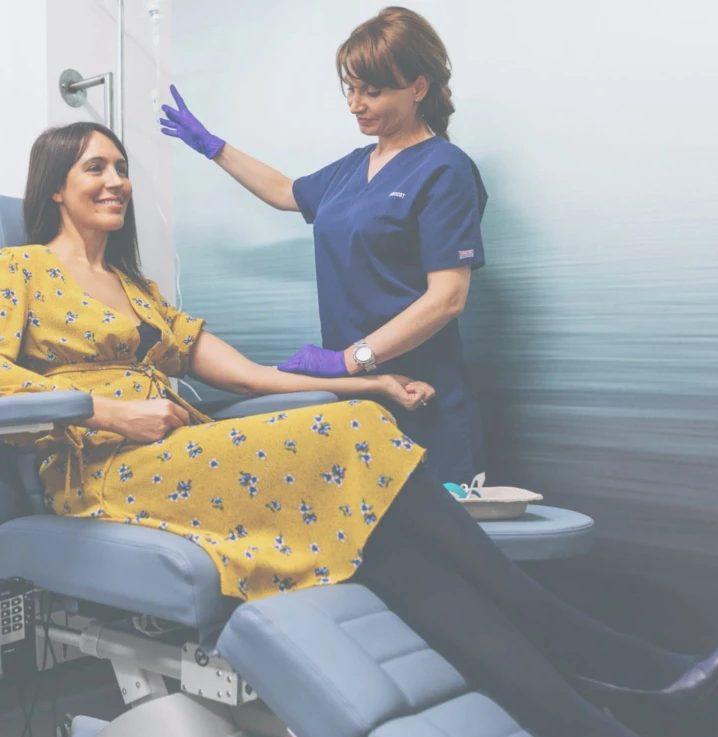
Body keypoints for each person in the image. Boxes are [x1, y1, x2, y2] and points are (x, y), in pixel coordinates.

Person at [0, 121, 718, 737]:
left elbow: (249, 375)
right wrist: (107, 413)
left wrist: (363, 379)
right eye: (95, 167)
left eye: (121, 166)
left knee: (386, 536)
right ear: (55, 185)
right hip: (99, 468)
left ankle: (583, 729)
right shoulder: (12, 269)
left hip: (177, 451)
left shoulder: (137, 290)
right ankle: (594, 653)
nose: (116, 179)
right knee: (356, 437)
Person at [159, 7, 486, 487]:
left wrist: (351, 359)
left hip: (423, 394)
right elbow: (286, 192)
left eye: (373, 91)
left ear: (419, 87)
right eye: (350, 89)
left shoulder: (445, 170)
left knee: (429, 551)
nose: (356, 104)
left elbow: (448, 298)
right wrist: (213, 147)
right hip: (355, 399)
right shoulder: (353, 167)